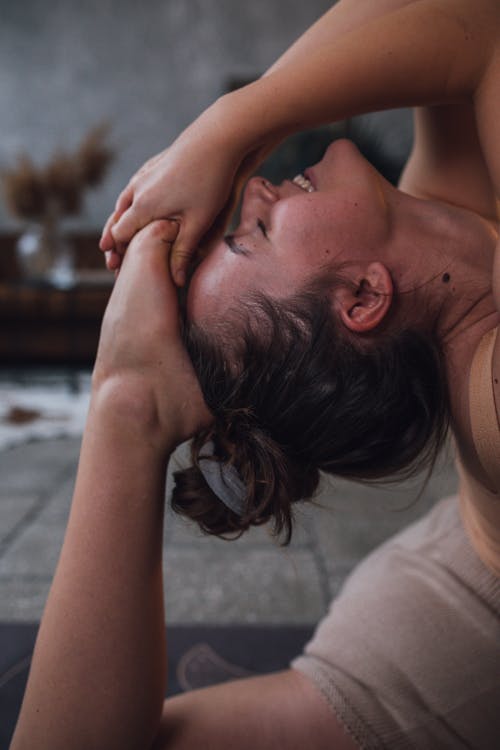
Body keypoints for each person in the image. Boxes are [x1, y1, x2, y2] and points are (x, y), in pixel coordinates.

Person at [10, 0, 499, 748]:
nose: (253, 189)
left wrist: (232, 129)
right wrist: (125, 403)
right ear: (364, 296)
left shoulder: (446, 210)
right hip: (475, 602)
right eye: (259, 233)